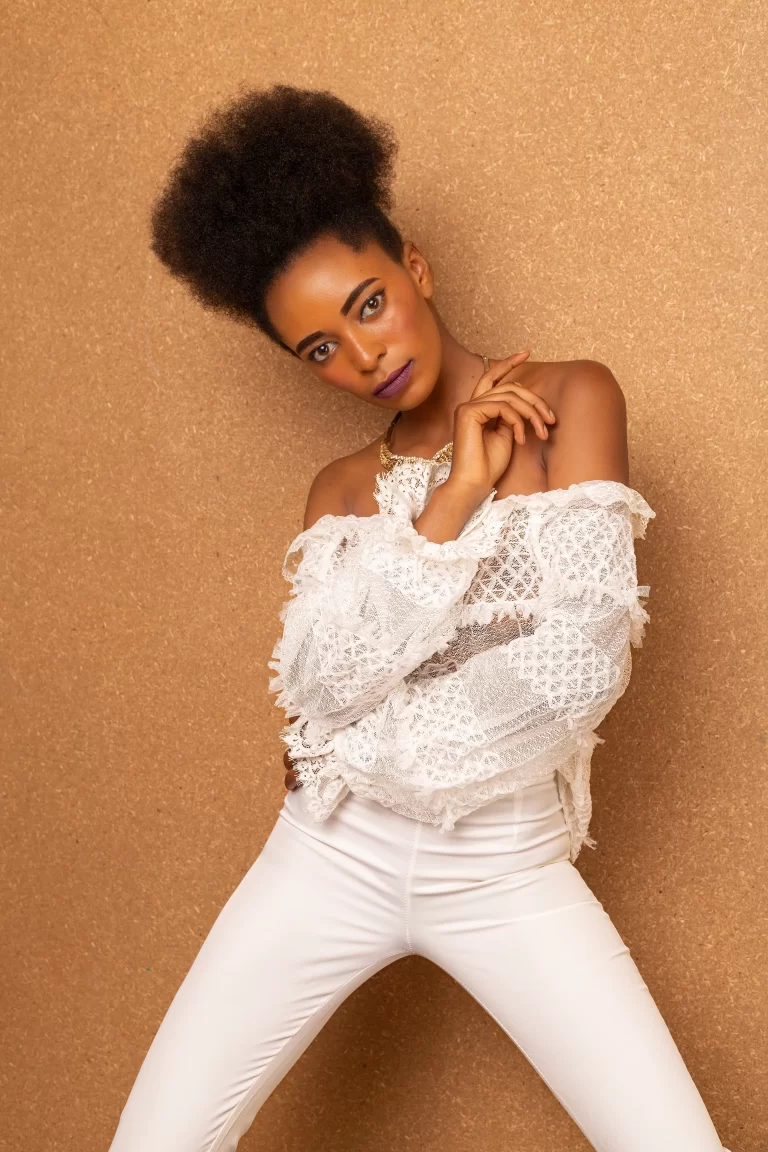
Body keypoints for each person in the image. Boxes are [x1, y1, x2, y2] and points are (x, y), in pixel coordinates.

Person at [108, 84, 732, 1151]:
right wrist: (451, 501)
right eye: (319, 349)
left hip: (504, 867)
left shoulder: (572, 400)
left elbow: (578, 669)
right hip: (328, 855)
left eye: (367, 304)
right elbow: (316, 687)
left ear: (416, 267)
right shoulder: (341, 490)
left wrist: (356, 740)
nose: (362, 356)